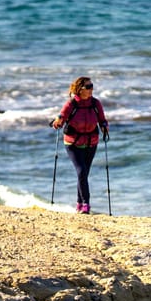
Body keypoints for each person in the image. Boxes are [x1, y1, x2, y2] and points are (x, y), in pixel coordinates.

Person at [50, 76, 108, 214]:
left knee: (83, 174)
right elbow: (62, 116)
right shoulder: (71, 104)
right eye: (88, 87)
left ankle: (78, 204)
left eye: (92, 86)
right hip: (73, 143)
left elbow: (102, 119)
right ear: (80, 89)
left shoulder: (95, 103)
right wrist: (57, 122)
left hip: (91, 143)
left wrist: (105, 126)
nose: (91, 89)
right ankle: (86, 205)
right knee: (81, 171)